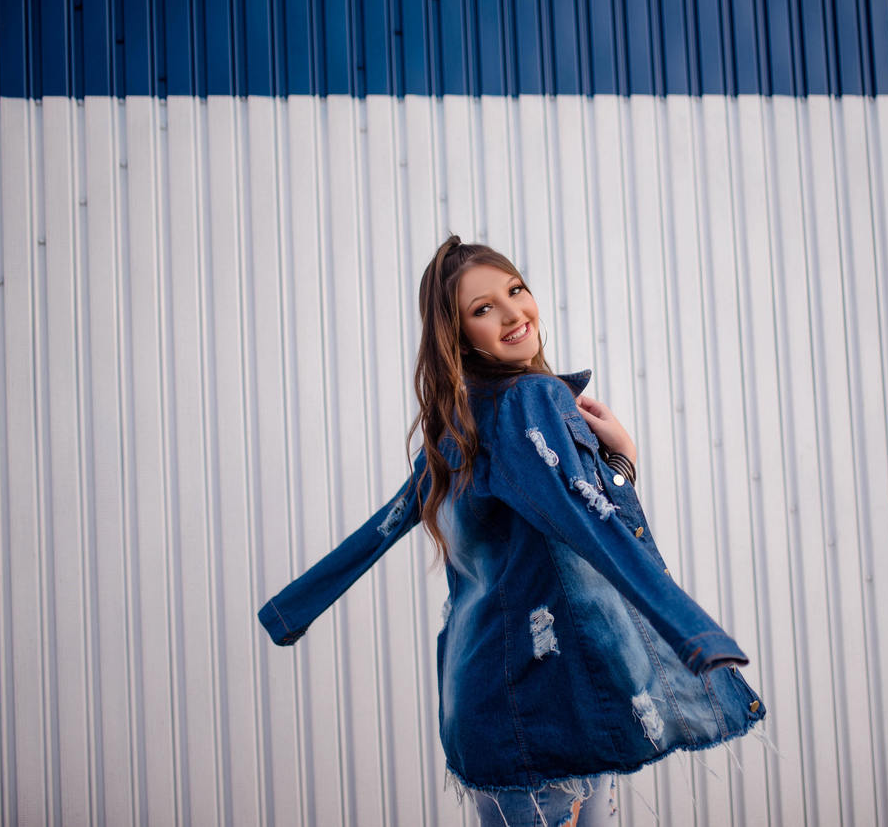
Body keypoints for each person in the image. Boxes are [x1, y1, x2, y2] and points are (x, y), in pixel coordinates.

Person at [259, 235, 769, 826]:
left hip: (485, 705)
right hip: (549, 706)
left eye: (515, 290)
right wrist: (692, 629)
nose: (511, 313)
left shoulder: (457, 426)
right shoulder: (531, 400)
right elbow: (589, 521)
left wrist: (288, 612)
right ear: (458, 336)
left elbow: (381, 528)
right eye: (483, 308)